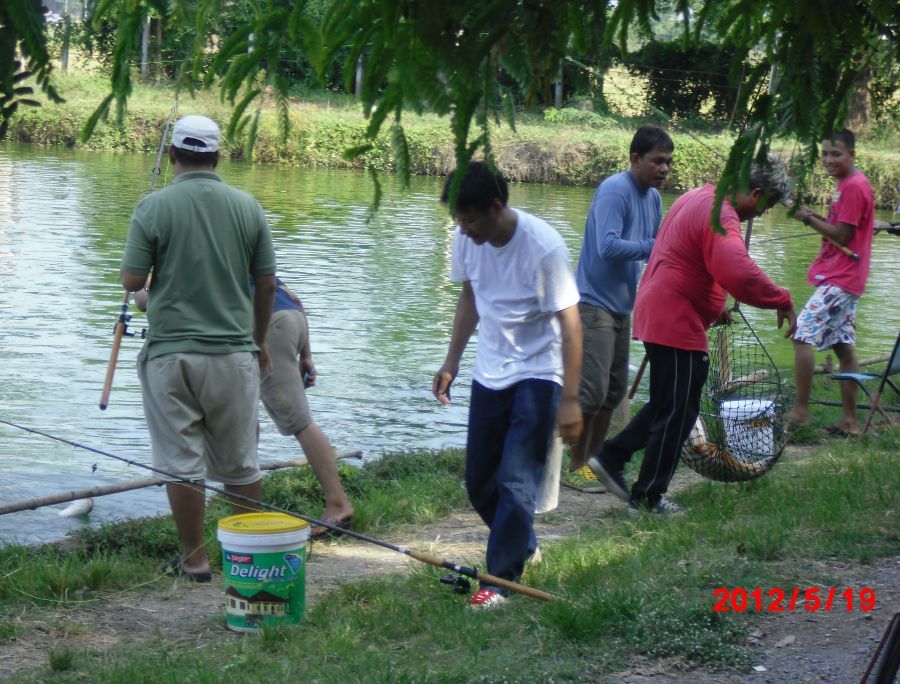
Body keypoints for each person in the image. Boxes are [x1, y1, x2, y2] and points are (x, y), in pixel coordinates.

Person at [589, 159, 797, 516]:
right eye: (767, 206)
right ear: (757, 194)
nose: (762, 214)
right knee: (679, 413)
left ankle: (612, 456)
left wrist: (714, 306)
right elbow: (736, 270)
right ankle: (648, 497)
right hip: (674, 318)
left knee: (669, 404)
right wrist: (781, 297)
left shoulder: (700, 196)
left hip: (662, 310)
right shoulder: (723, 213)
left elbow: (689, 259)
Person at [121, 114, 276, 582]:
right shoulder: (248, 206)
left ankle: (195, 559)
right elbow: (266, 284)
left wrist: (153, 286)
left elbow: (132, 282)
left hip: (170, 355)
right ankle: (248, 553)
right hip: (233, 354)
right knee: (240, 459)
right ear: (218, 157)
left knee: (181, 461)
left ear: (172, 156)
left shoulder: (153, 207)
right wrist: (259, 340)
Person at [432, 161, 583, 608]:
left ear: (496, 207)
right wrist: (451, 360)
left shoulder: (542, 248)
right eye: (458, 220)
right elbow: (470, 297)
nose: (464, 230)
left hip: (539, 372)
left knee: (517, 480)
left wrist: (571, 399)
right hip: (490, 370)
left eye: (471, 219)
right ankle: (522, 543)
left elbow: (572, 325)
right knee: (480, 481)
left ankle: (497, 583)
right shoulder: (466, 237)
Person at [566, 126, 674, 494]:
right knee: (592, 392)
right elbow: (608, 246)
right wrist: (652, 247)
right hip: (592, 301)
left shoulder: (655, 199)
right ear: (635, 159)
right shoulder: (615, 189)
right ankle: (575, 463)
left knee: (613, 393)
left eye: (668, 163)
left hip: (623, 306)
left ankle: (597, 462)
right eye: (657, 161)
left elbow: (655, 249)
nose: (663, 169)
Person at [784, 130, 875, 436]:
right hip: (848, 277)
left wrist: (805, 219)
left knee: (801, 335)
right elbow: (840, 226)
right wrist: (813, 214)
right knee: (844, 348)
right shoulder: (848, 185)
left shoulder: (853, 187)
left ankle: (800, 412)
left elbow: (841, 237)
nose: (828, 160)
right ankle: (850, 421)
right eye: (824, 154)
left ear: (853, 155)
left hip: (841, 278)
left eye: (836, 154)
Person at [259, 277, 354, 537]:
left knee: (299, 422)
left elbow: (143, 299)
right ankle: (245, 505)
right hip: (290, 317)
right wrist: (306, 354)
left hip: (269, 326)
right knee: (246, 414)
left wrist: (147, 280)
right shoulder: (241, 244)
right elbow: (295, 299)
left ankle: (338, 504)